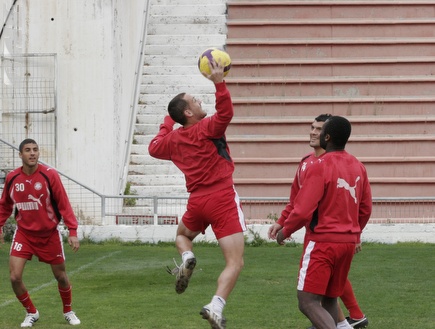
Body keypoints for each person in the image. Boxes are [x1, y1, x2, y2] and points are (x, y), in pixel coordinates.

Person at [148, 58, 246, 329]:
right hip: (222, 197)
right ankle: (215, 305)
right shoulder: (207, 128)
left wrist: (168, 121)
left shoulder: (172, 140)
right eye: (194, 100)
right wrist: (219, 83)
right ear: (188, 113)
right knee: (235, 262)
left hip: (197, 201)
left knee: (182, 235)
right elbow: (226, 114)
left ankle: (186, 257)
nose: (199, 101)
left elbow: (154, 147)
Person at [270, 116, 372, 329]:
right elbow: (365, 208)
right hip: (347, 243)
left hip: (323, 243)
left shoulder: (319, 165)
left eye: (320, 130)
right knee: (329, 299)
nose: (315, 133)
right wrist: (354, 233)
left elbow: (303, 210)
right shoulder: (358, 166)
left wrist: (285, 231)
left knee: (307, 301)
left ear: (327, 136)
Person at [0, 139, 81, 327]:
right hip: (24, 234)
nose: (32, 153)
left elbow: (63, 203)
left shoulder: (49, 175)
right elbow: (5, 205)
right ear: (20, 155)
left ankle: (68, 310)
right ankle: (31, 312)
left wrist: (73, 230)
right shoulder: (12, 178)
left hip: (49, 234)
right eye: (27, 150)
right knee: (14, 277)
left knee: (61, 276)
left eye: (35, 150)